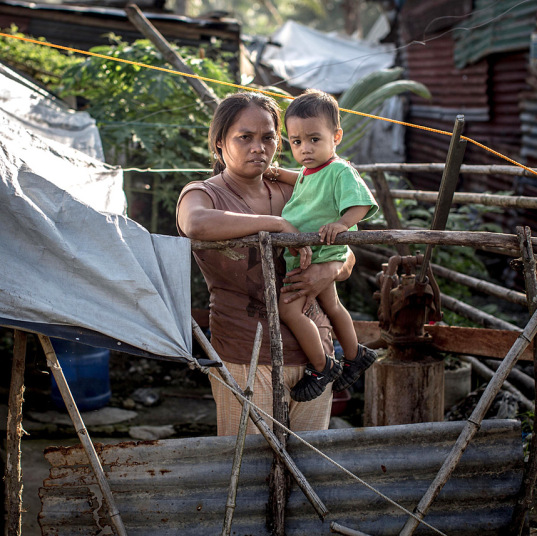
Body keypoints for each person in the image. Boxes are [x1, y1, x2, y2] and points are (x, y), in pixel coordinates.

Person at [176, 91, 356, 436]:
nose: (258, 147)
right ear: (219, 143)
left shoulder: (299, 191)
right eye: (245, 137)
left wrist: (327, 271)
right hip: (246, 354)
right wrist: (274, 224)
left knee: (309, 464)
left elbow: (347, 255)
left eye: (268, 137)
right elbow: (195, 223)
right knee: (250, 469)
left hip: (315, 356)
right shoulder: (204, 194)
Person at [277, 88, 379, 403]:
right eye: (296, 142)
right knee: (332, 307)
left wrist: (342, 223)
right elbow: (308, 182)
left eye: (314, 139)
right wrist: (280, 173)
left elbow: (362, 204)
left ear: (336, 136)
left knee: (288, 309)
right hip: (315, 252)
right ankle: (355, 354)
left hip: (322, 251)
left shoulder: (340, 169)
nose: (305, 148)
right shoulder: (311, 171)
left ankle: (323, 366)